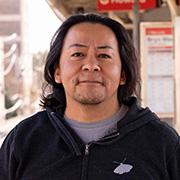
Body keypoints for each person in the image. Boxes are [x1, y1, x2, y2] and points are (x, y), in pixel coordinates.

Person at [0, 13, 180, 180]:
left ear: (123, 74)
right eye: (78, 54)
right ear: (57, 72)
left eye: (104, 55)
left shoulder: (162, 144)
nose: (91, 65)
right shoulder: (23, 141)